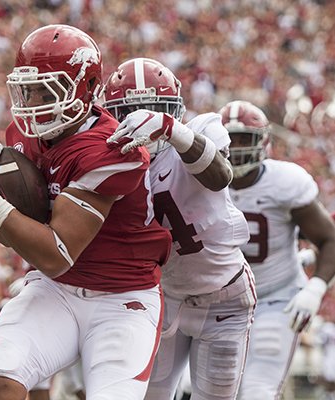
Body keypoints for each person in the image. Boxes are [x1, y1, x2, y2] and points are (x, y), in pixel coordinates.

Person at [0, 24, 173, 400]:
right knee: (2, 373)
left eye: (45, 89)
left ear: (85, 89)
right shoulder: (25, 137)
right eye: (28, 88)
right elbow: (14, 236)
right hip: (55, 291)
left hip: (121, 298)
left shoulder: (113, 149)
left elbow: (56, 254)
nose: (33, 100)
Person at [104, 58, 256, 400]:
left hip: (224, 298)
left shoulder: (200, 128)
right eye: (129, 111)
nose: (143, 117)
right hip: (161, 298)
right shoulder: (106, 161)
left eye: (155, 108)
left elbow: (219, 176)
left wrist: (172, 130)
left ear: (174, 110)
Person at [217, 100, 335, 399]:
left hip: (273, 298)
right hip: (216, 302)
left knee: (257, 390)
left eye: (243, 139)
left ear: (262, 142)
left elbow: (331, 239)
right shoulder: (197, 179)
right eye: (229, 139)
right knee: (204, 390)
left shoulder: (284, 181)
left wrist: (314, 289)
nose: (235, 148)